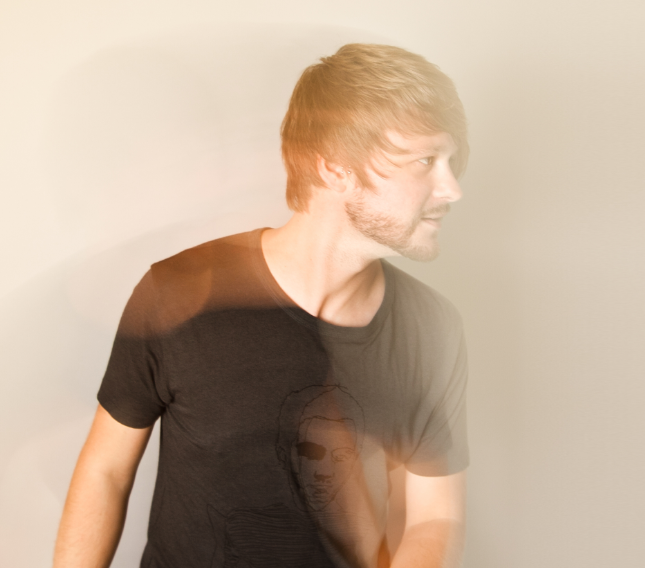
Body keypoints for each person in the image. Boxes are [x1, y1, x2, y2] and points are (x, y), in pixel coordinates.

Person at [53, 43, 470, 568]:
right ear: (335, 168)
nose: (452, 188)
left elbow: (435, 516)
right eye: (426, 161)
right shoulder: (175, 291)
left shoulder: (432, 329)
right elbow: (106, 472)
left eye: (451, 162)